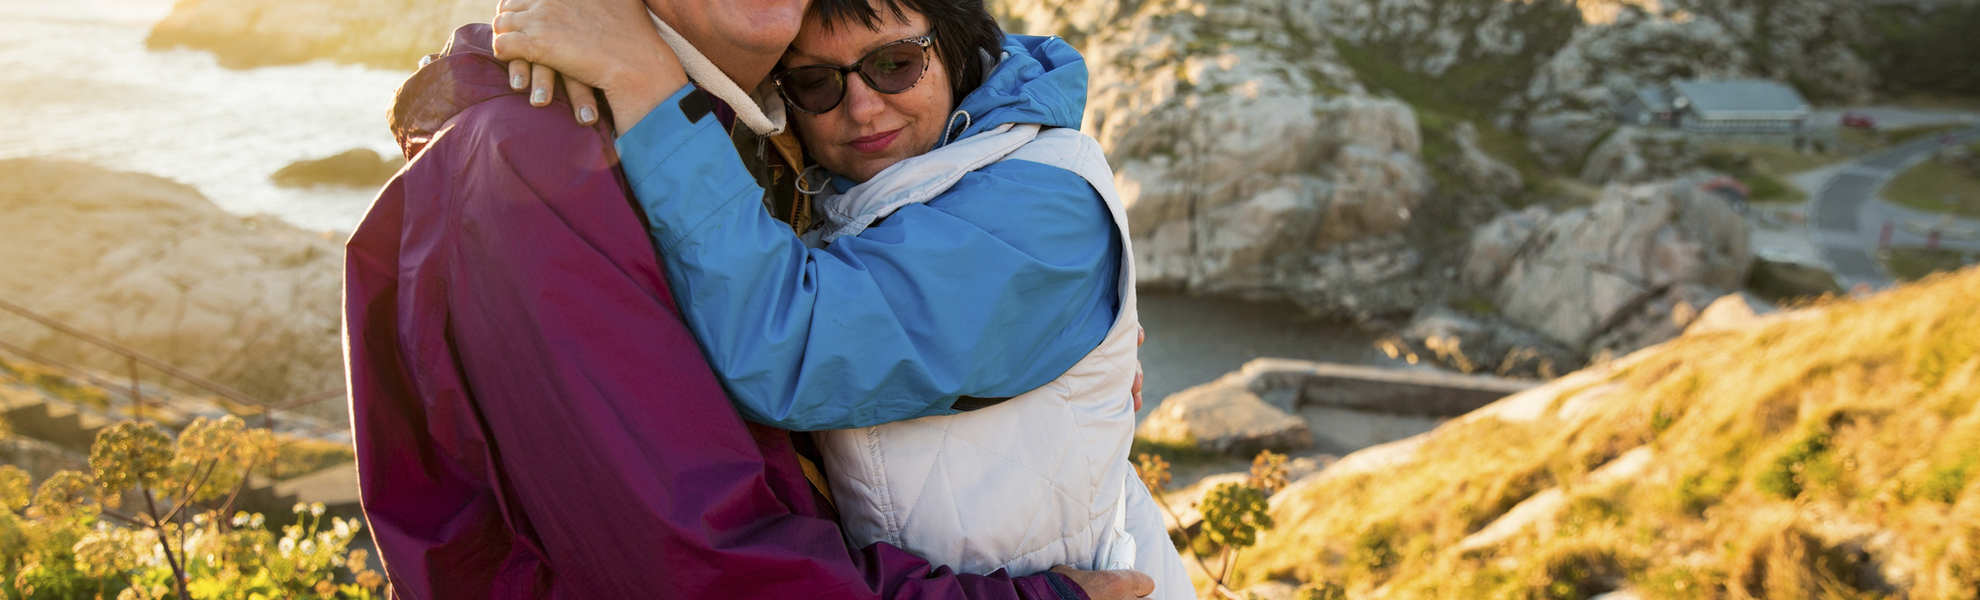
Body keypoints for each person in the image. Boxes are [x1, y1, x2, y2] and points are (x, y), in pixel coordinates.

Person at [343, 0, 1154, 598]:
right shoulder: (537, 163)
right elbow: (690, 563)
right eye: (816, 83)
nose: (862, 105)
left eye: (896, 65)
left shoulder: (750, 139)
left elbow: (799, 349)